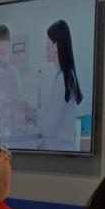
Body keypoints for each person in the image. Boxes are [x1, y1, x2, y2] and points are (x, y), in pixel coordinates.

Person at [35, 20, 82, 149]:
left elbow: (49, 129)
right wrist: (33, 112)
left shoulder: (64, 80)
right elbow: (50, 117)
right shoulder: (62, 77)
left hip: (60, 150)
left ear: (55, 46)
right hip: (57, 149)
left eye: (47, 43)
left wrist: (32, 117)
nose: (45, 48)